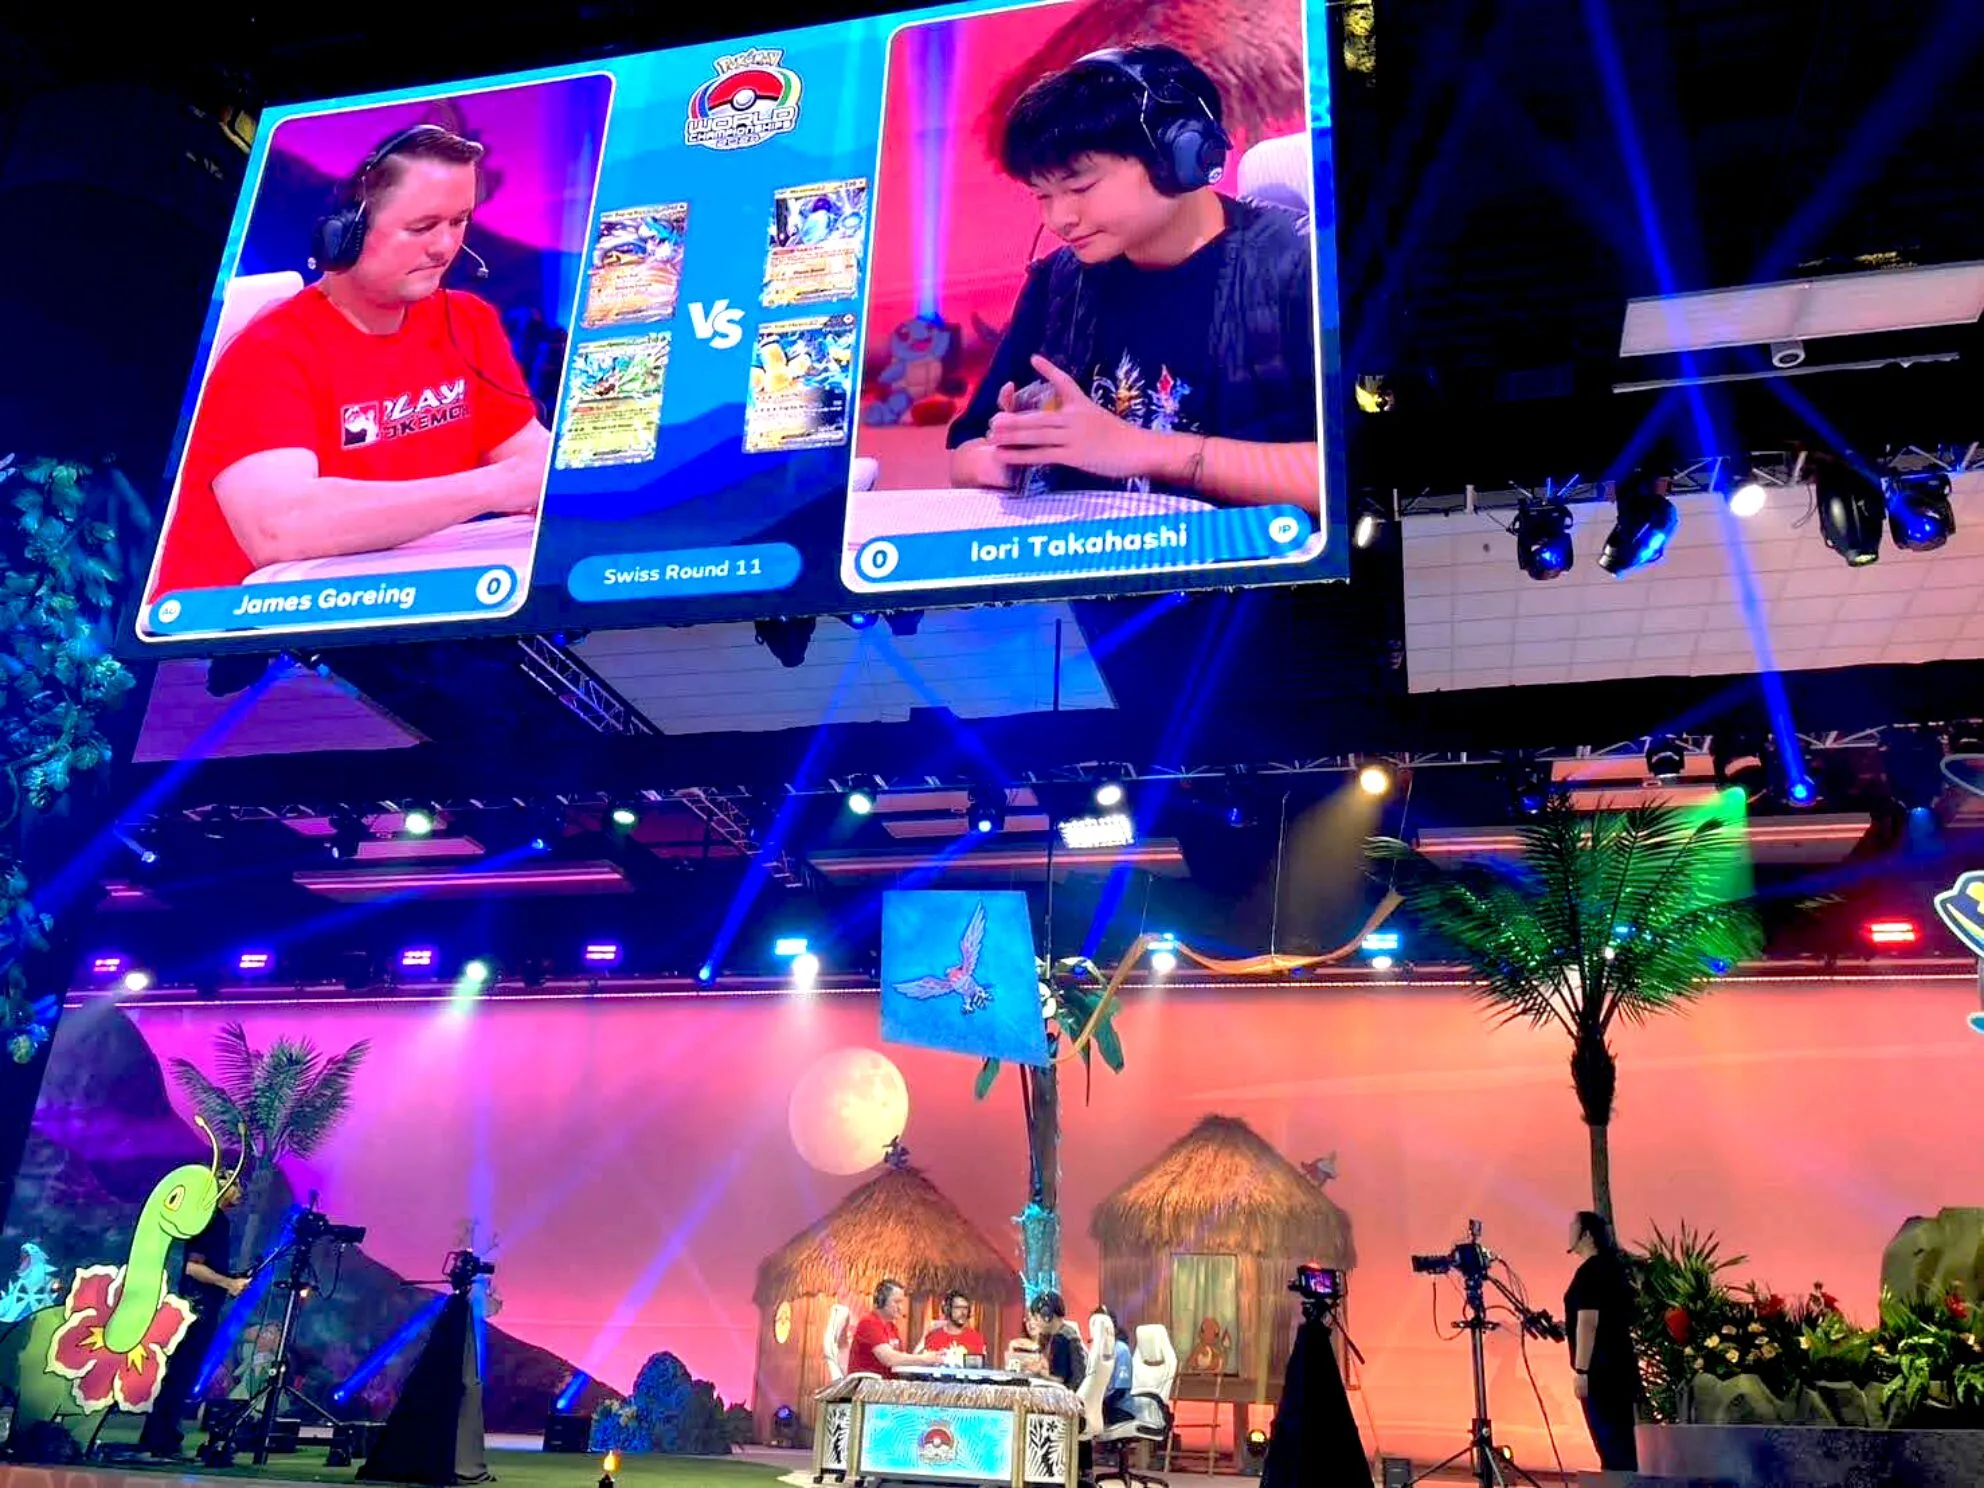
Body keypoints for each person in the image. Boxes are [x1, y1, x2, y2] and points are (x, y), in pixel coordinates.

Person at [152, 123, 551, 597]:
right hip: (232, 630)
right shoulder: (270, 350)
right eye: (422, 227)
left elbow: (529, 462)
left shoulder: (467, 322)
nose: (444, 248)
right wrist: (495, 488)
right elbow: (280, 529)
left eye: (458, 221)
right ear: (346, 232)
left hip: (390, 605)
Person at [947, 45, 1318, 511]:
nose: (1059, 218)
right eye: (1042, 195)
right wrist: (1009, 456)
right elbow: (964, 453)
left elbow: (1353, 470)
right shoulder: (1059, 280)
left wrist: (1143, 450)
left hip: (1239, 554)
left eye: (1081, 187)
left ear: (1180, 157)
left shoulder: (1300, 266)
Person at [139, 1177, 249, 1458]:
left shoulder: (217, 1221)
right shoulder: (209, 1220)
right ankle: (159, 1437)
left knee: (183, 1373)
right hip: (195, 1308)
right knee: (180, 1373)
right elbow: (192, 1267)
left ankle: (162, 1435)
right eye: (234, 1183)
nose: (240, 1190)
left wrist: (230, 1279)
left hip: (202, 1305)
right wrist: (228, 1283)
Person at [1565, 1210, 1641, 1472]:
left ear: (1587, 1235)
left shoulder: (1590, 1273)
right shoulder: (1612, 1270)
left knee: (1611, 1444)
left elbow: (1589, 1322)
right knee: (1623, 1443)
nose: (1569, 1230)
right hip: (1621, 1368)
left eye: (1573, 1226)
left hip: (1601, 1372)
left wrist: (1582, 1371)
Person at [847, 1279, 944, 1379]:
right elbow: (889, 1359)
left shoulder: (892, 1327)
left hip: (888, 1384)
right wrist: (924, 1359)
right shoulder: (869, 1323)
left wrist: (926, 1337)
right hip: (868, 1385)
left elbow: (901, 1360)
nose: (900, 1308)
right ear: (881, 1301)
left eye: (901, 1302)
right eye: (896, 1302)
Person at [919, 1288, 989, 1361]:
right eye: (958, 1308)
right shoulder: (932, 1337)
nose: (963, 1312)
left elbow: (979, 1365)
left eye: (965, 1308)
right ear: (947, 1309)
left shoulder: (976, 1339)